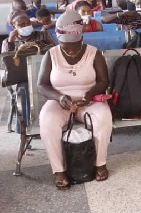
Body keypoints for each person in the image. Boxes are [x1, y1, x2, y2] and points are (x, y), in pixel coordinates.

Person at [37, 10, 112, 189]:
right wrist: (59, 96)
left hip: (90, 100)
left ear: (81, 36)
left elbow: (104, 81)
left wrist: (89, 95)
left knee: (103, 116)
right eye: (66, 46)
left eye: (75, 45)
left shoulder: (94, 54)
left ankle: (100, 163)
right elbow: (42, 85)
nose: (71, 50)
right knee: (47, 120)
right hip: (59, 102)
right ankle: (59, 170)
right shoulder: (51, 54)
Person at [2, 13, 56, 133]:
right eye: (21, 25)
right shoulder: (8, 41)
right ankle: (26, 128)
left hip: (46, 74)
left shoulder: (43, 35)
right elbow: (4, 66)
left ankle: (51, 124)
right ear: (14, 26)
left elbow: (56, 51)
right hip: (23, 77)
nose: (25, 26)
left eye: (27, 23)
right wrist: (11, 42)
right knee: (24, 88)